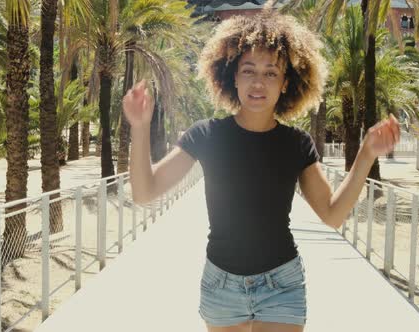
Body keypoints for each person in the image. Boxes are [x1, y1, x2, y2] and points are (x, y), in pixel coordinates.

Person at [123, 9, 400, 332]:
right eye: (248, 70)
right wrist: (140, 128)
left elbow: (332, 214)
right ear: (232, 77)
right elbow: (145, 191)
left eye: (271, 73)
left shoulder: (297, 144)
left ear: (286, 83)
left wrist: (366, 155)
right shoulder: (205, 135)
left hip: (281, 283)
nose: (258, 82)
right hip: (221, 285)